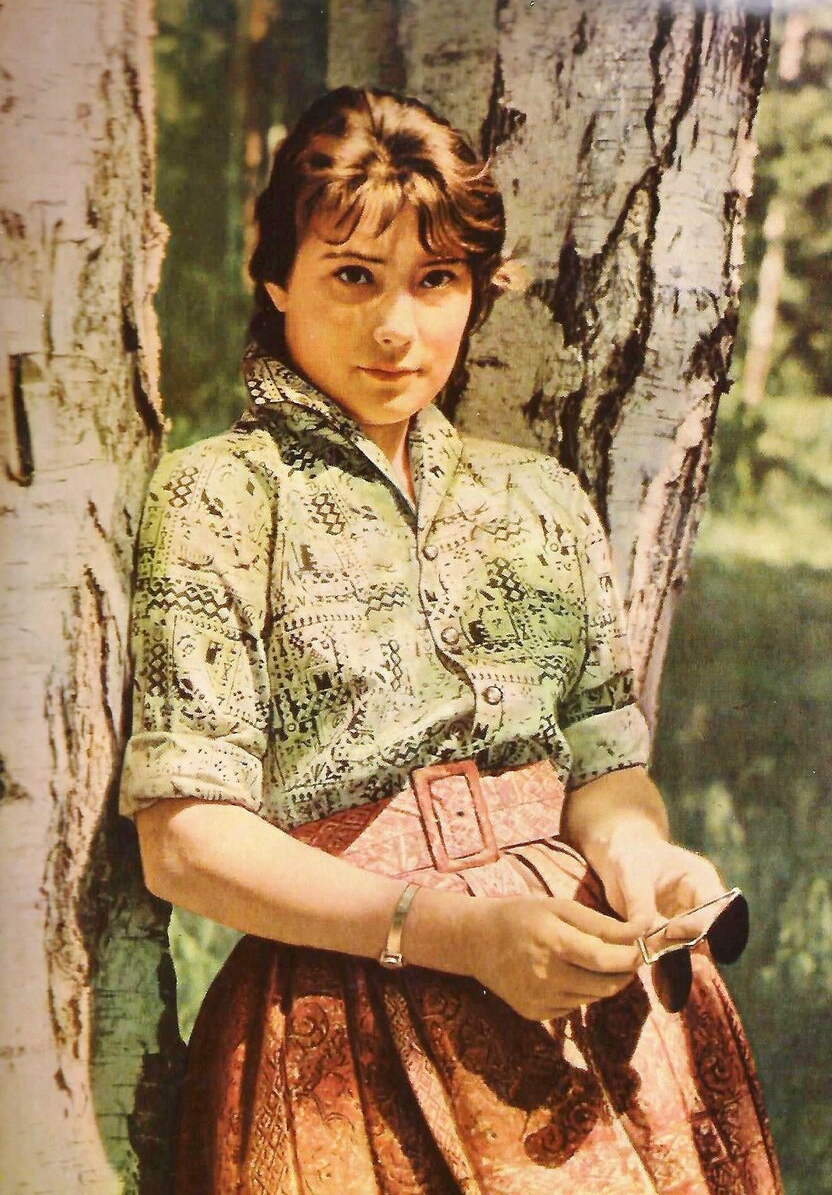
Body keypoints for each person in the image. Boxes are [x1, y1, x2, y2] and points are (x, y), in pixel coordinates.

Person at [120, 87, 780, 1193]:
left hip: (584, 999)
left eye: (435, 281)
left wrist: (645, 866)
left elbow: (603, 767)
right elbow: (184, 842)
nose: (397, 328)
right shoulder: (218, 496)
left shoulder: (539, 498)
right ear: (274, 277)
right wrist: (461, 936)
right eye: (353, 276)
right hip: (345, 1025)